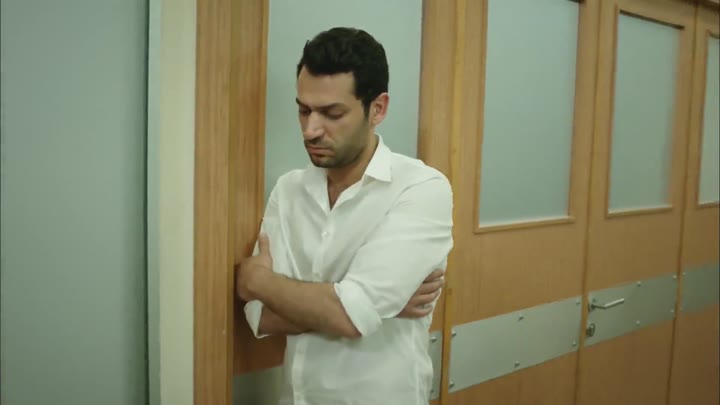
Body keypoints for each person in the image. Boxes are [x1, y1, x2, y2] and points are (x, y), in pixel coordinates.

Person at [235, 26, 454, 405]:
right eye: (303, 110)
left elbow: (348, 316)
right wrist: (376, 308)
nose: (310, 130)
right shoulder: (289, 190)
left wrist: (257, 280)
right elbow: (262, 317)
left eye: (332, 113)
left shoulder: (420, 188)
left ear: (378, 109)